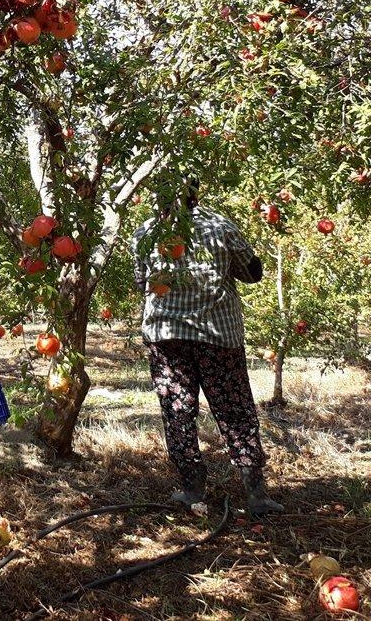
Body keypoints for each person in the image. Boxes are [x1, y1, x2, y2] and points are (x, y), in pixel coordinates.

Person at [132, 180, 283, 518]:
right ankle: (255, 493)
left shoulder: (145, 233)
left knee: (178, 410)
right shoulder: (220, 225)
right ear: (195, 194)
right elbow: (253, 273)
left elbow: (141, 283)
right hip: (218, 335)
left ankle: (191, 488)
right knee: (235, 411)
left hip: (166, 336)